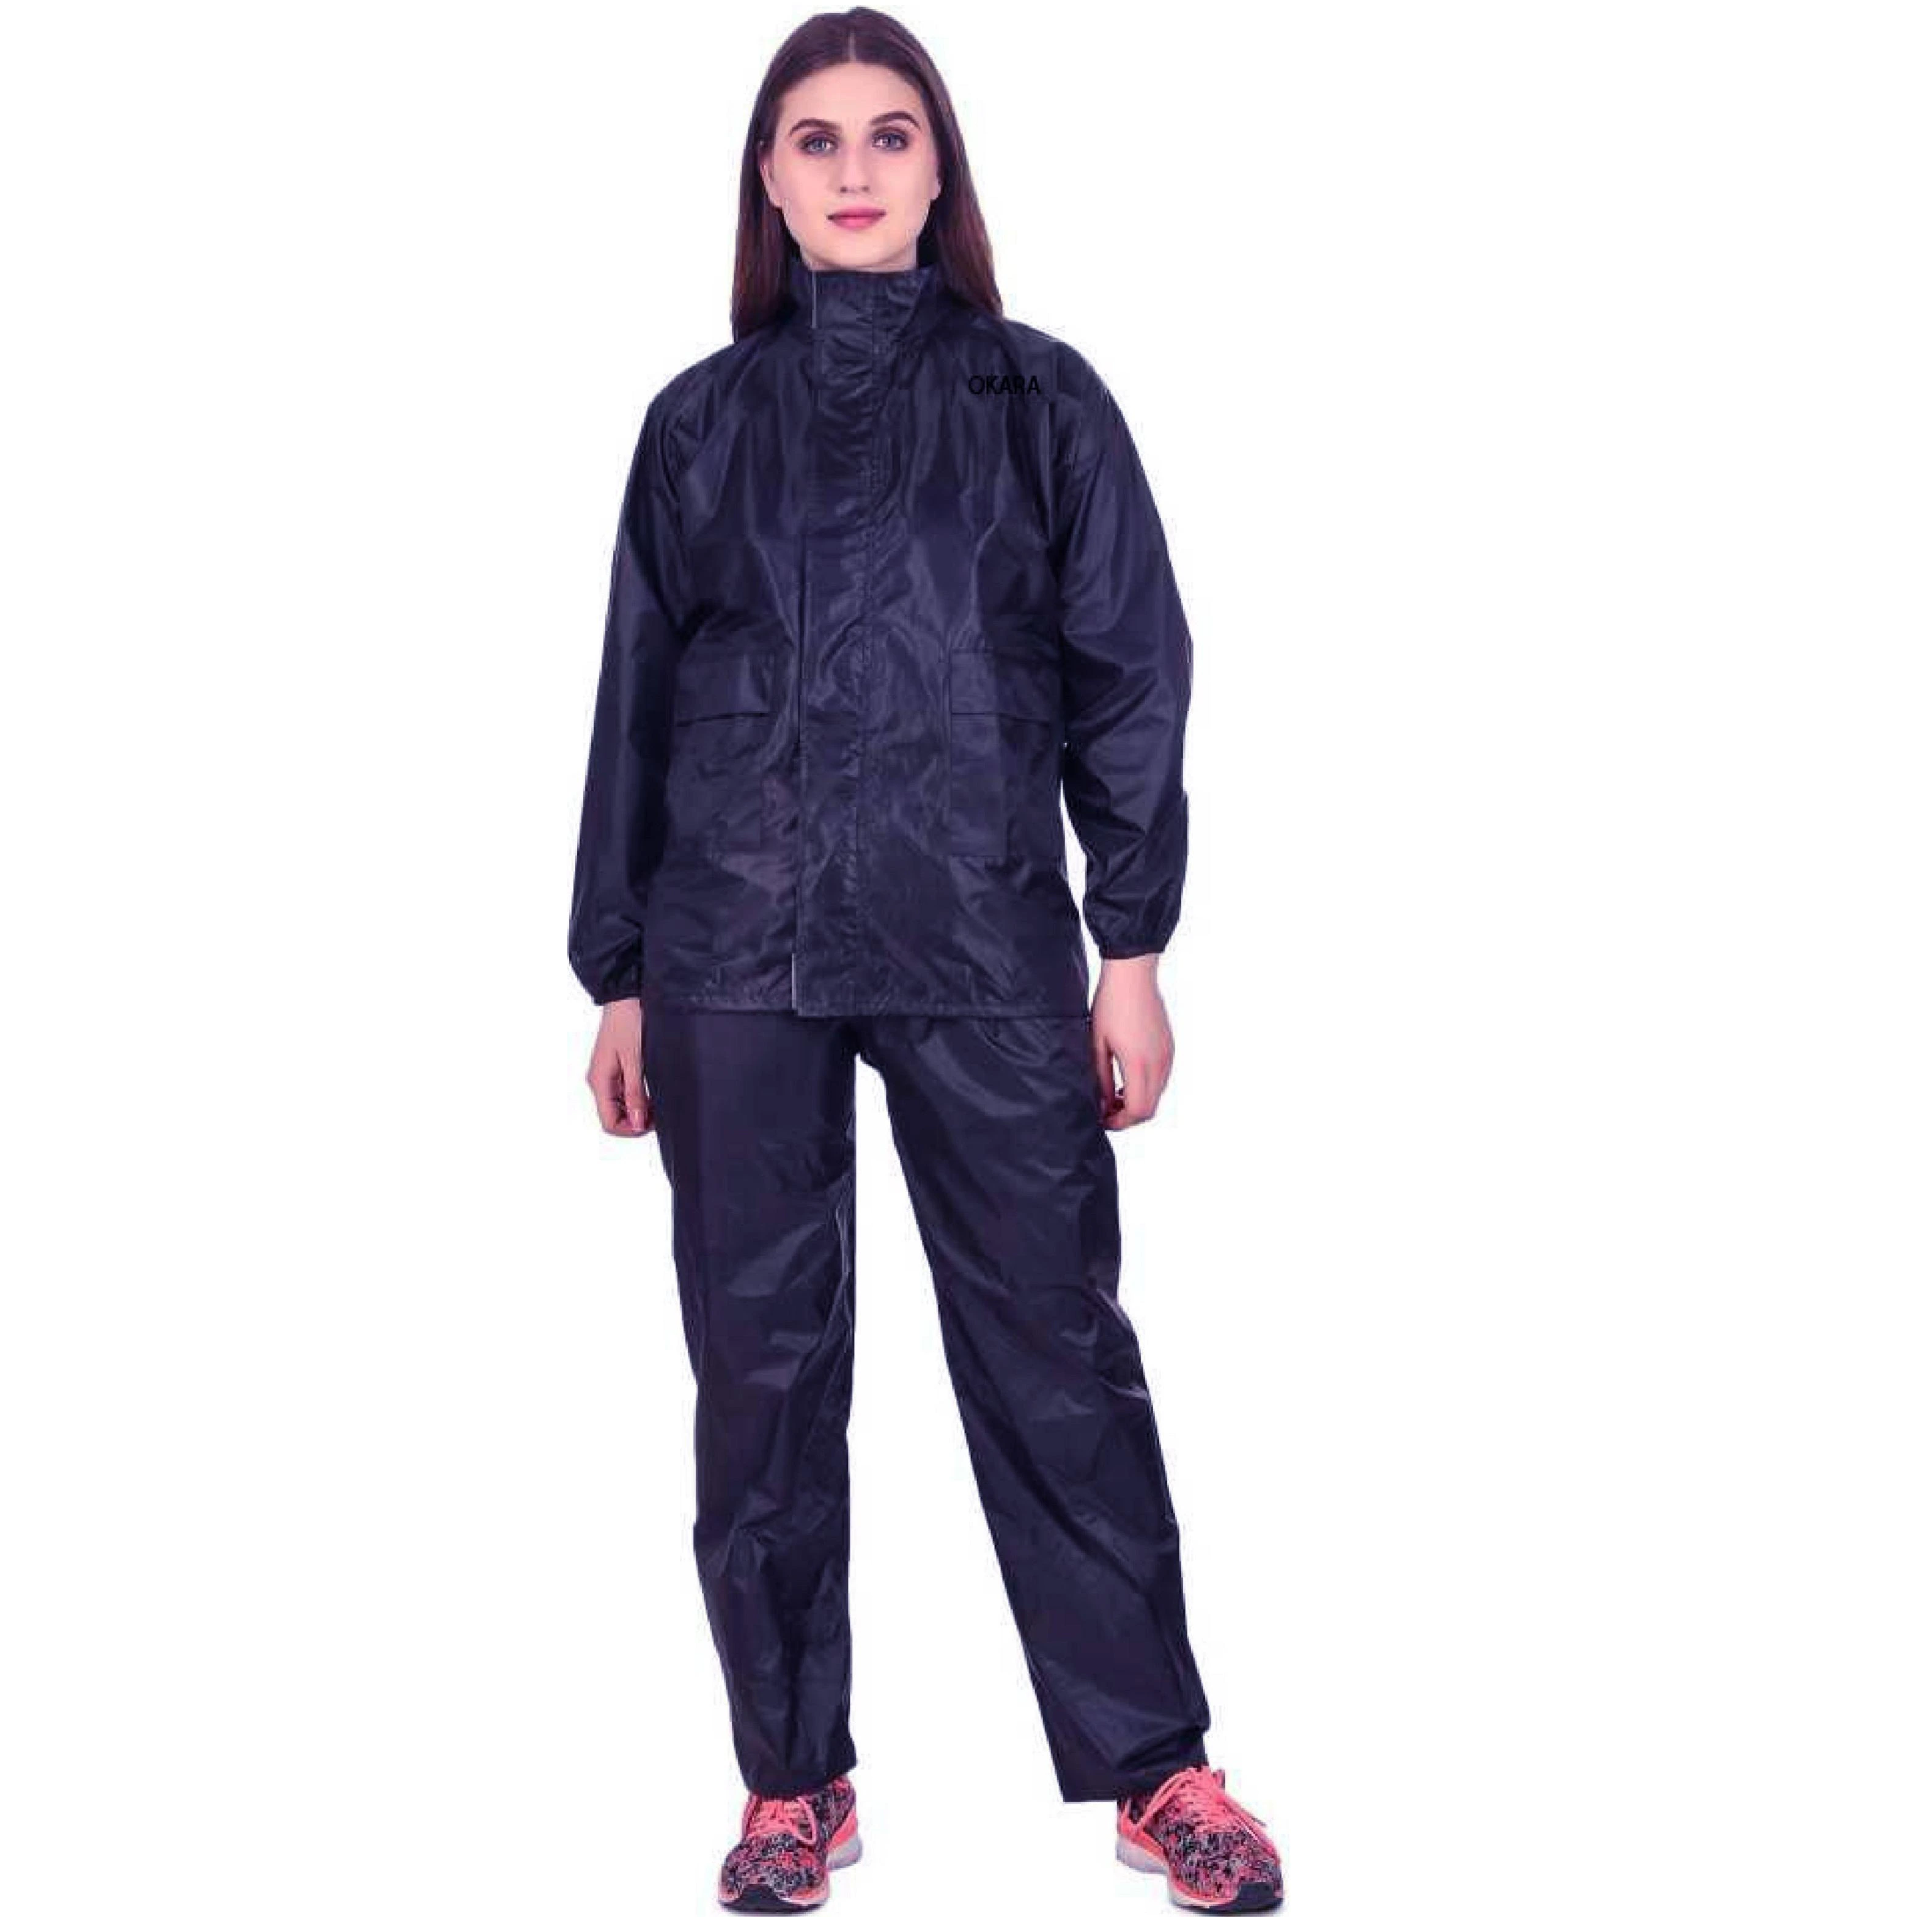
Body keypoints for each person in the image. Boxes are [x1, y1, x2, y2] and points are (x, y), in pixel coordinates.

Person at [567, 10, 1284, 1911]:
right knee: (760, 1374)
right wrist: (619, 969)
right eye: (816, 140)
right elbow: (639, 703)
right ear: (769, 179)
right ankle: (791, 1784)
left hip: (981, 930)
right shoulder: (699, 426)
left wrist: (1133, 943)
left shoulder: (1041, 401)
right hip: (732, 947)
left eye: (892, 135)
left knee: (1056, 1349)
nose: (857, 169)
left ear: (940, 168)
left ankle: (1159, 1769)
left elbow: (1132, 670)